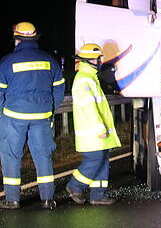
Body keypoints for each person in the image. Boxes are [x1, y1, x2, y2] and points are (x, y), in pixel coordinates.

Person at [0, 22, 65, 210]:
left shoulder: (6, 62)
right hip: (42, 116)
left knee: (11, 156)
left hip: (14, 116)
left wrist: (1, 112)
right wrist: (50, 109)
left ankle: (13, 199)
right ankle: (48, 199)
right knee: (43, 156)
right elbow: (59, 89)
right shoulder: (50, 60)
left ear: (16, 39)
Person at [65, 43, 120, 205]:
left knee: (102, 159)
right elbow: (89, 108)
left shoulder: (90, 78)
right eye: (97, 59)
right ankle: (75, 186)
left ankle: (98, 195)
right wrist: (99, 128)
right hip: (92, 131)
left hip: (97, 131)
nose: (100, 61)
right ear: (88, 60)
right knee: (95, 159)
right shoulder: (84, 80)